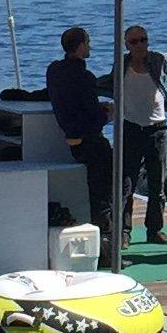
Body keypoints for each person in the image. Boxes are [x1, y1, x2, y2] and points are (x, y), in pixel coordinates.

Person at [116, 23, 167, 245]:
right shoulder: (122, 64)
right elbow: (111, 85)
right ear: (126, 45)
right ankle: (124, 232)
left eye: (143, 40)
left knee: (158, 184)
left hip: (157, 129)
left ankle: (154, 229)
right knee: (126, 183)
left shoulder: (159, 59)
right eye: (134, 41)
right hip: (130, 128)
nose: (140, 45)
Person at [39, 25, 113, 230]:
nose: (90, 46)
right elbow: (92, 116)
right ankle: (106, 234)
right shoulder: (85, 77)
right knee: (103, 190)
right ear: (80, 47)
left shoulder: (54, 70)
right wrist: (107, 113)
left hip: (71, 137)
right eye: (87, 42)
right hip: (90, 140)